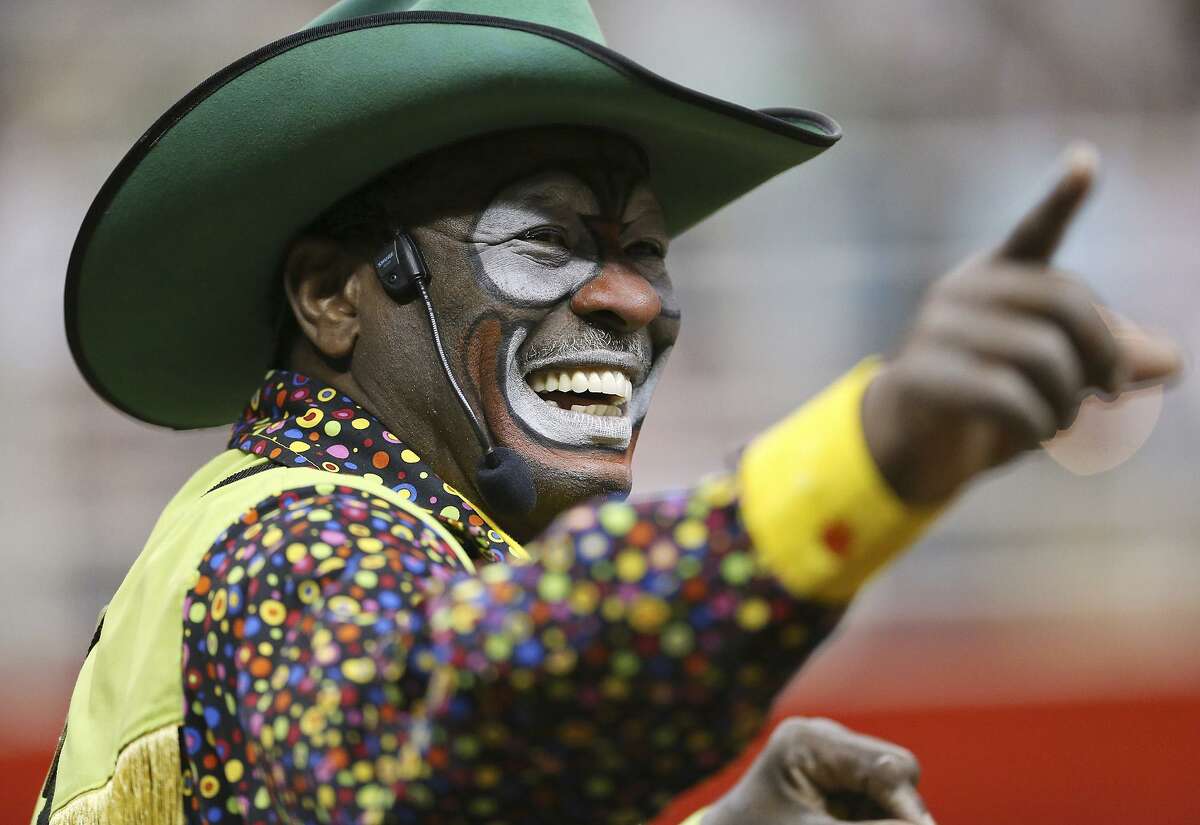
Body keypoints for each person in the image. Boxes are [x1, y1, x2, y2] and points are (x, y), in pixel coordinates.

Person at [36, 1, 1182, 824]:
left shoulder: (358, 541)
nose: (637, 300)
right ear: (333, 294)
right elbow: (440, 743)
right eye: (547, 241)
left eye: (643, 251)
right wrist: (869, 456)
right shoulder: (298, 540)